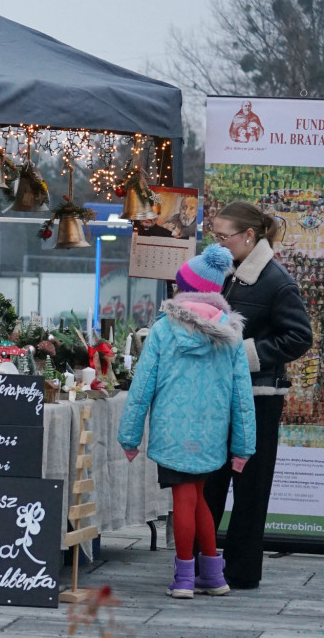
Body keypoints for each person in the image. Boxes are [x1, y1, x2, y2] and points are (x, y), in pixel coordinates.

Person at [118, 244, 256, 599]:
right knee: (199, 498)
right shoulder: (232, 335)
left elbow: (142, 384)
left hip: (172, 431)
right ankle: (212, 574)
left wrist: (130, 436)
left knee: (183, 500)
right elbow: (242, 396)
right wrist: (243, 446)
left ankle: (183, 577)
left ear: (183, 288)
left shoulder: (163, 330)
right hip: (212, 432)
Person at [202, 201, 313, 589]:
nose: (216, 244)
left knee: (250, 487)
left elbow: (300, 337)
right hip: (220, 395)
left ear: (249, 236)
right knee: (210, 480)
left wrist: (244, 355)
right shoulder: (225, 273)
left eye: (222, 237)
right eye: (213, 237)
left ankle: (242, 572)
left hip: (259, 398)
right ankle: (206, 564)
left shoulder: (276, 280)